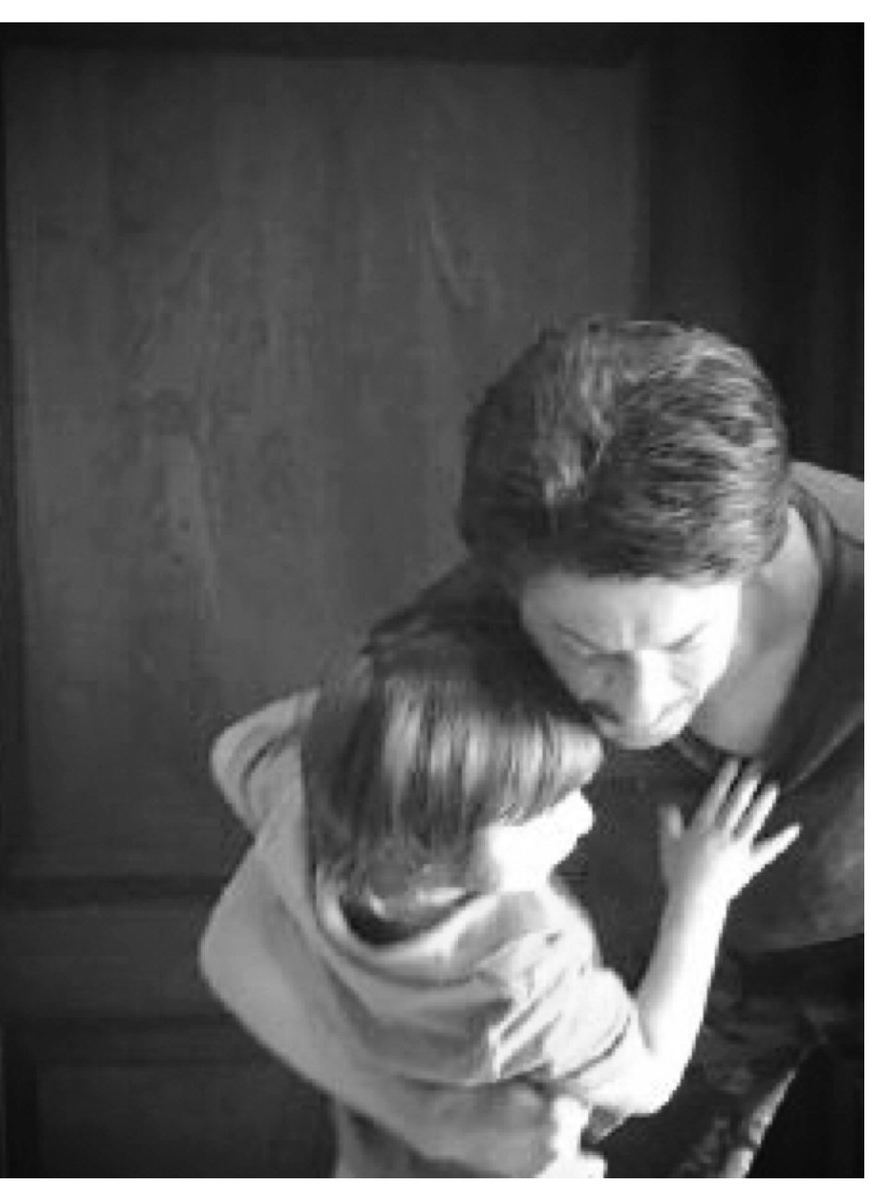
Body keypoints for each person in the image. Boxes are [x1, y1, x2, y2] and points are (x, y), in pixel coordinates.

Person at [200, 317, 862, 1176]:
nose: (639, 707)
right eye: (584, 648)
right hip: (583, 1056)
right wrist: (435, 1122)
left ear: (759, 555)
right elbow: (244, 944)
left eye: (685, 641)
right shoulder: (467, 641)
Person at [217, 601, 799, 1176]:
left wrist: (375, 725)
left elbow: (232, 752)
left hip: (376, 1143)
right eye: (538, 811)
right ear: (420, 847)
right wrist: (700, 898)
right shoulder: (522, 985)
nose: (583, 819)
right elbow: (650, 1077)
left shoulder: (296, 806)